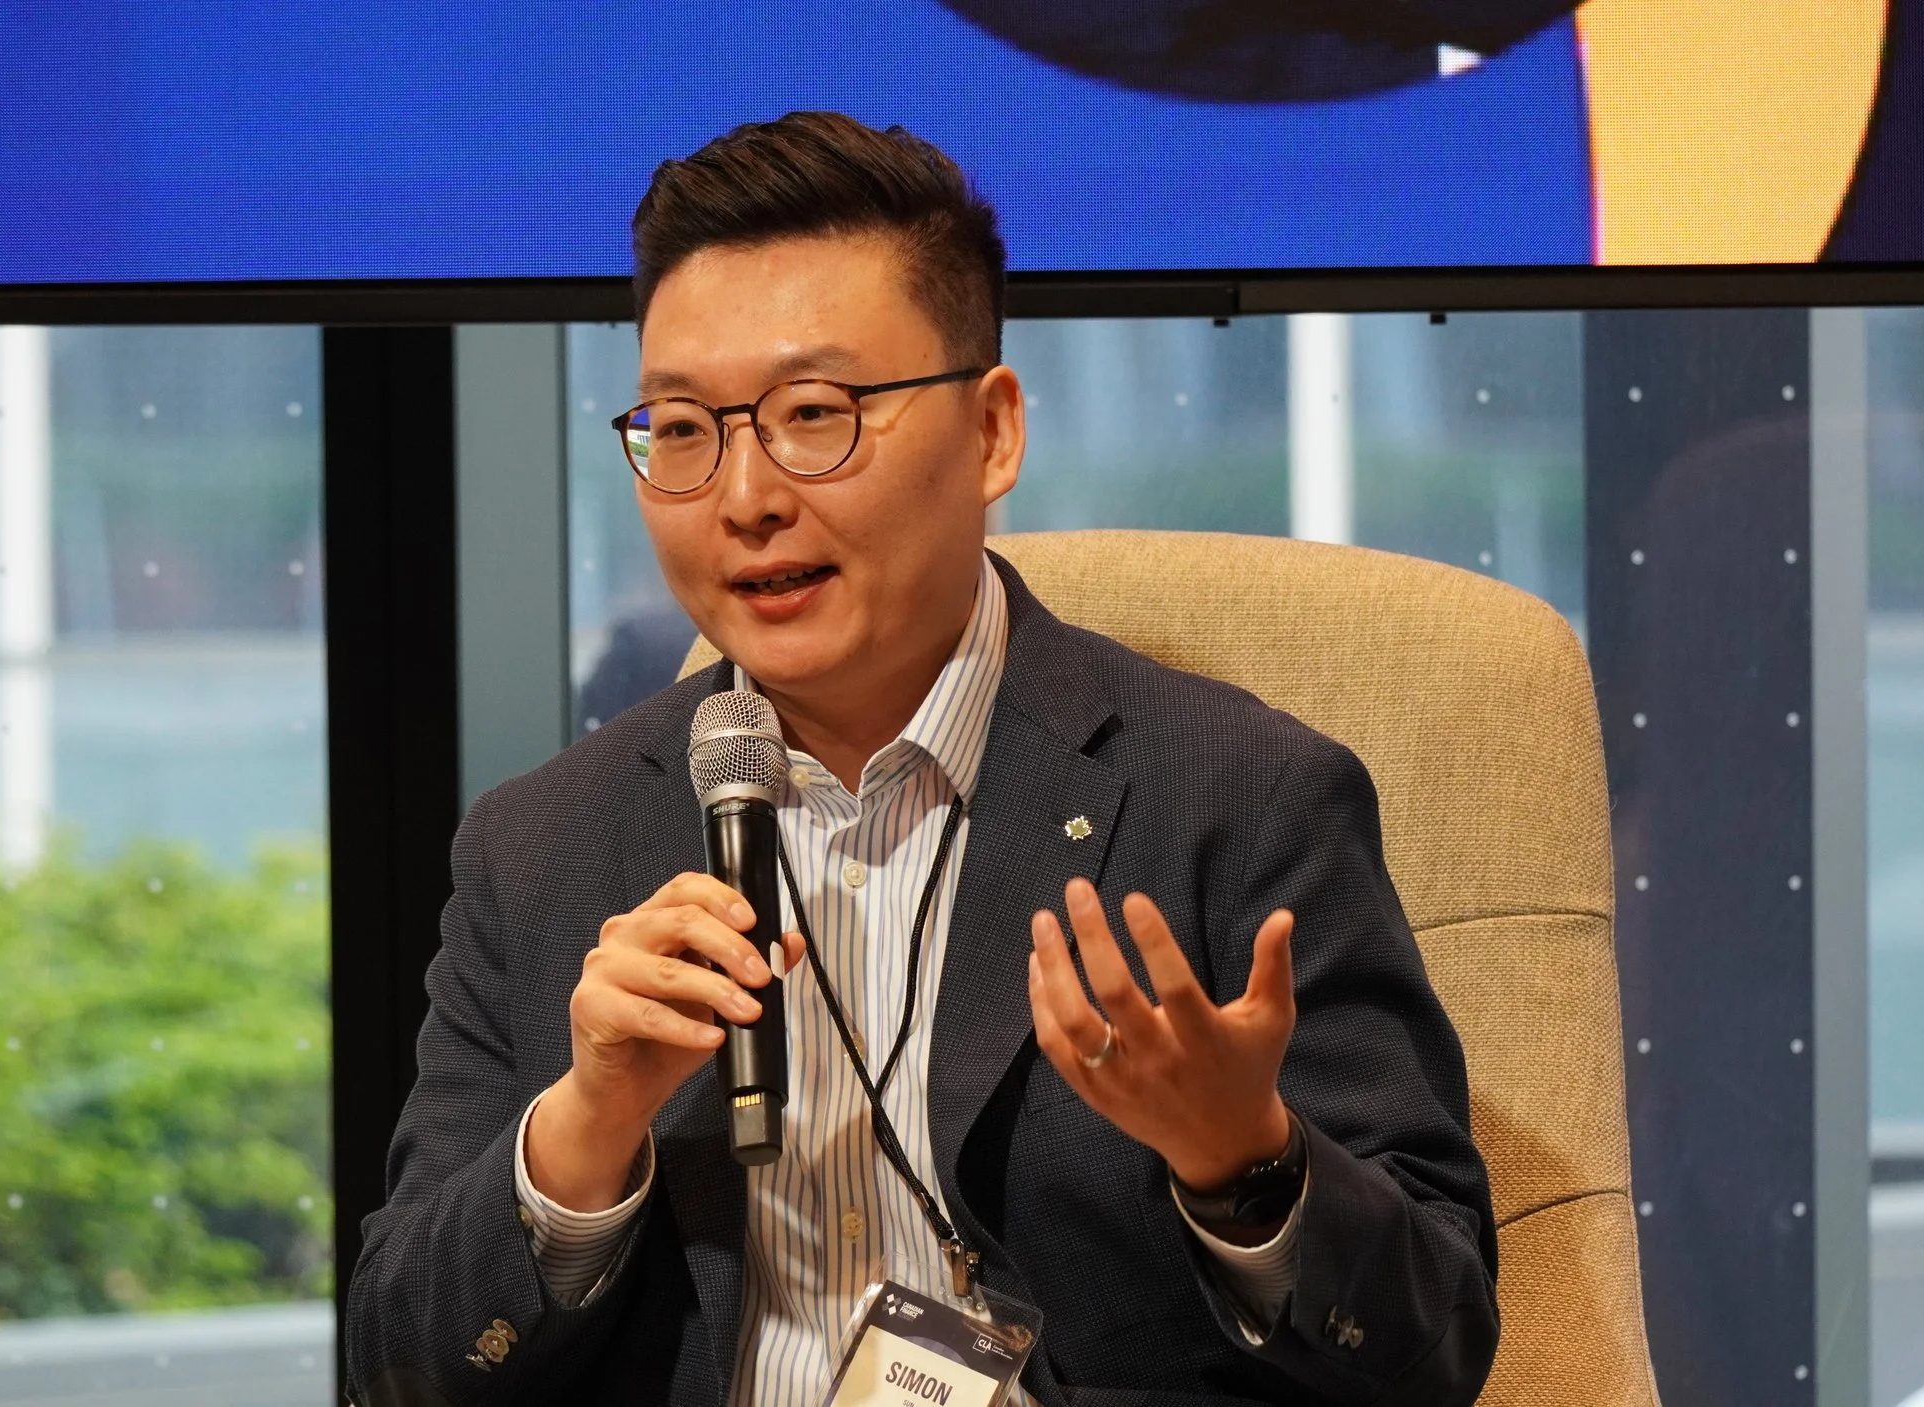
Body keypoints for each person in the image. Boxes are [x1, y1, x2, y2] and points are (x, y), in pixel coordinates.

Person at [345, 111, 1496, 1407]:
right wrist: (584, 1128)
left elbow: (1435, 1347)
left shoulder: (1240, 797)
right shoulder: (543, 845)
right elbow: (400, 1368)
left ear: (992, 432)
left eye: (815, 414)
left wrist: (1244, 1157)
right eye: (682, 428)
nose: (744, 498)